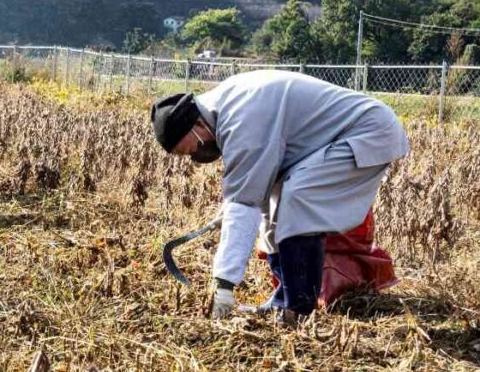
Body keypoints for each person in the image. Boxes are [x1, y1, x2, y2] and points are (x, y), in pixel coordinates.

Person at [152, 70, 408, 323]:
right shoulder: (223, 110)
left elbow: (244, 205)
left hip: (369, 132)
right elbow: (255, 195)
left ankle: (298, 308)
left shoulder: (241, 119)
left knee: (299, 196)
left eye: (193, 148)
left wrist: (223, 284)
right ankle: (282, 301)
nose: (197, 156)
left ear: (197, 124)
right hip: (335, 139)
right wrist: (236, 203)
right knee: (274, 204)